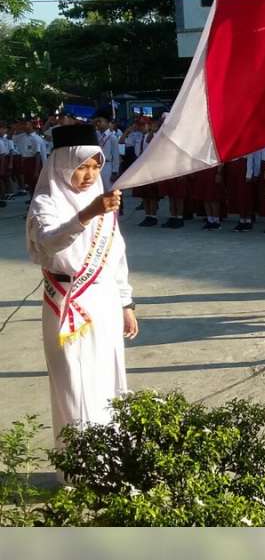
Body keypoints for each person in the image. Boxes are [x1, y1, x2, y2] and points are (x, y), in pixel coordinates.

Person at [25, 124, 137, 453]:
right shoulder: (47, 203)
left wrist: (126, 304)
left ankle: (111, 460)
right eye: (82, 167)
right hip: (66, 304)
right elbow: (50, 241)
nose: (89, 175)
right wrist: (87, 214)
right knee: (73, 383)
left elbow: (116, 255)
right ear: (62, 165)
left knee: (107, 378)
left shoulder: (100, 201)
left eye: (96, 166)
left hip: (103, 304)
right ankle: (78, 469)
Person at [93, 111, 120, 192]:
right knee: (98, 190)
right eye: (97, 121)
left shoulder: (112, 137)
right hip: (97, 165)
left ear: (107, 123)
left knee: (108, 189)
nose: (98, 123)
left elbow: (116, 156)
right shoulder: (96, 135)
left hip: (108, 165)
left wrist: (115, 171)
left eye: (100, 121)